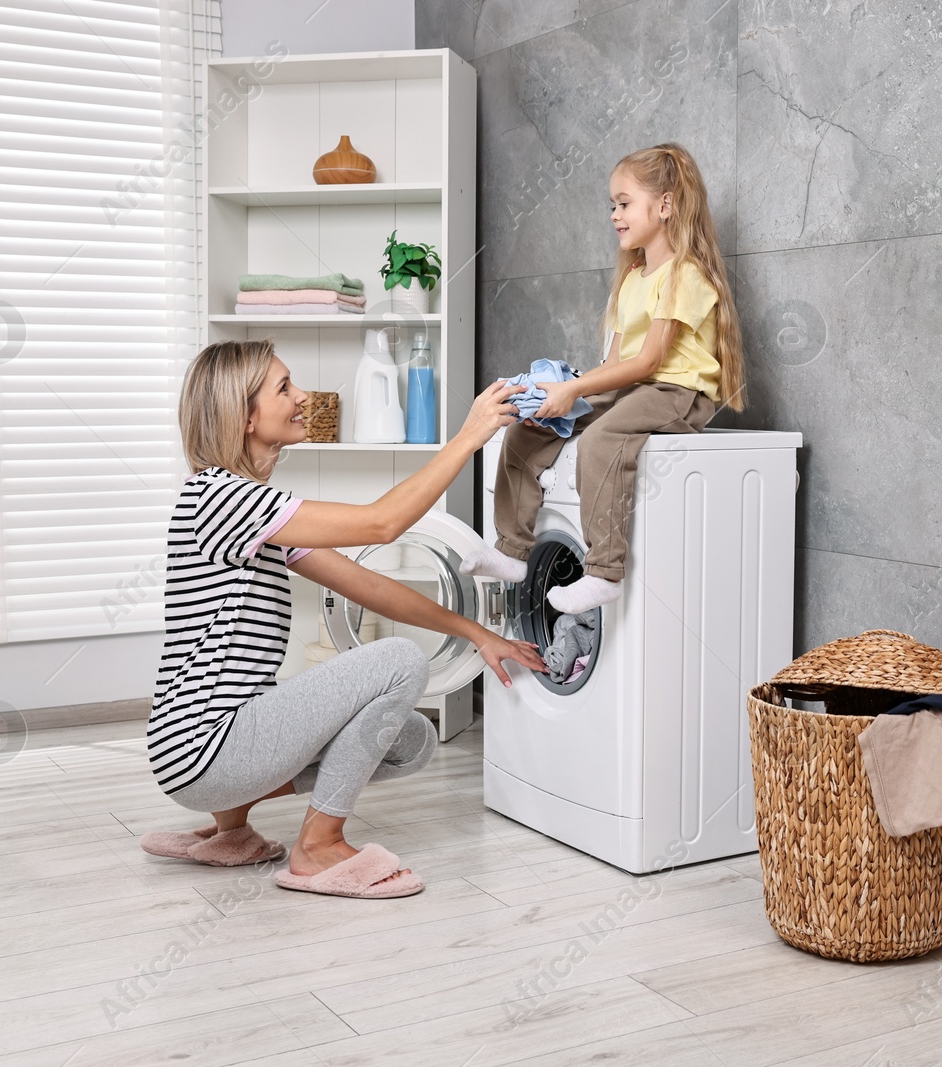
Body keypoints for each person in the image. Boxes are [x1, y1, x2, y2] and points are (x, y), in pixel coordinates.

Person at [140, 339, 545, 899]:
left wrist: (478, 634)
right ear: (244, 414)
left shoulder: (247, 509)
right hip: (205, 749)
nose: (303, 396)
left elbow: (372, 587)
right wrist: (470, 437)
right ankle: (318, 847)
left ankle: (230, 831)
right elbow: (382, 525)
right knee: (402, 659)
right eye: (284, 387)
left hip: (201, 752)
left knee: (410, 740)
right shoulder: (224, 498)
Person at [460, 143, 747, 613]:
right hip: (633, 387)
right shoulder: (632, 278)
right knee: (526, 429)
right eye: (612, 205)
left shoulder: (686, 274)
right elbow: (615, 364)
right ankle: (511, 552)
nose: (615, 214)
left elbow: (652, 362)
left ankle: (604, 572)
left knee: (600, 442)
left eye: (624, 202)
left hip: (677, 391)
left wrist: (574, 389)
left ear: (666, 205)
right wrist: (559, 394)